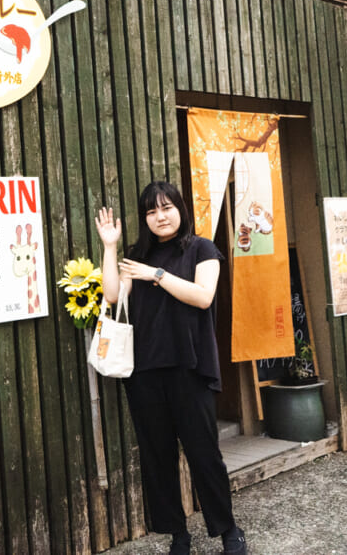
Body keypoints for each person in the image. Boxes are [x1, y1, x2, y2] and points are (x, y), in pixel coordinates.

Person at [95, 181, 246, 555]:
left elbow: (203, 296)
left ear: (180, 209)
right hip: (144, 371)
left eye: (166, 208)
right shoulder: (138, 255)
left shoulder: (201, 249)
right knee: (157, 457)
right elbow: (112, 295)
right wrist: (110, 247)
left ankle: (228, 529)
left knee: (204, 454)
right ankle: (178, 535)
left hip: (190, 368)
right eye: (151, 211)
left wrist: (156, 275)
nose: (160, 217)